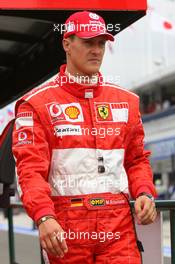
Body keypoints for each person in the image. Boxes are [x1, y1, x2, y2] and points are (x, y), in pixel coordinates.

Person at [12, 11, 157, 264]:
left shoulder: (127, 102)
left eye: (101, 43)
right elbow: (30, 171)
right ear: (67, 44)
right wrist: (44, 217)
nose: (97, 50)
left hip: (118, 228)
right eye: (88, 42)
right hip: (66, 230)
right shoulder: (36, 104)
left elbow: (136, 160)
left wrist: (145, 192)